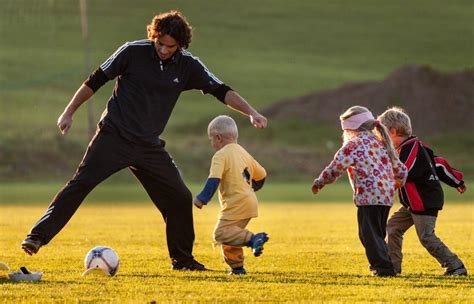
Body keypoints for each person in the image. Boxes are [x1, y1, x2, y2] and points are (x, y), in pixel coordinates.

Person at [21, 10, 267, 271]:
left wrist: (252, 112)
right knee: (81, 184)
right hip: (113, 137)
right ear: (154, 36)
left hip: (148, 146)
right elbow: (95, 80)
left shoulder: (188, 65)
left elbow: (221, 90)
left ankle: (182, 261)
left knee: (179, 198)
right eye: (159, 42)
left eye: (169, 46)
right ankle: (36, 237)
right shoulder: (131, 52)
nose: (162, 49)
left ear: (180, 45)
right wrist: (68, 112)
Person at [312, 106, 407, 277]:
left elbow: (336, 167)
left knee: (368, 235)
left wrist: (321, 181)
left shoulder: (353, 145)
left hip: (368, 196)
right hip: (385, 197)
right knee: (377, 233)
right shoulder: (382, 143)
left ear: (350, 129)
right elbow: (401, 170)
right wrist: (398, 182)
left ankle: (383, 269)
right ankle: (386, 263)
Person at [378, 107, 468, 276]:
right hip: (411, 204)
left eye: (383, 135)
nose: (382, 139)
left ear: (393, 131)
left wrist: (388, 183)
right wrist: (456, 181)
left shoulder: (412, 147)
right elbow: (438, 163)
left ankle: (456, 266)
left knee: (426, 237)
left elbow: (404, 171)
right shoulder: (408, 148)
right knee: (393, 227)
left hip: (424, 201)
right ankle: (393, 268)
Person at [193, 115, 268, 275]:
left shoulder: (220, 155)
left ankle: (254, 239)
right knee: (231, 236)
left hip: (236, 204)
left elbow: (214, 179)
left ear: (218, 138)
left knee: (220, 234)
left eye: (211, 139)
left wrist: (202, 198)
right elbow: (261, 175)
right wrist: (250, 190)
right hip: (248, 201)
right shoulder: (243, 152)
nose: (211, 143)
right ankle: (237, 268)